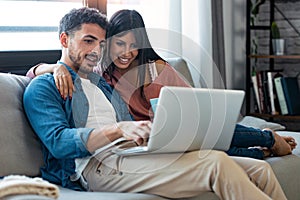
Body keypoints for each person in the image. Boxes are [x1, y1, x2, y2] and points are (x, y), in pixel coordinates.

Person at [23, 7, 288, 200]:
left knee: (259, 169)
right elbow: (59, 142)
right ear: (64, 40)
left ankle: (262, 142)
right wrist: (119, 129)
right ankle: (263, 141)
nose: (96, 50)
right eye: (88, 41)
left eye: (101, 43)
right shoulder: (45, 86)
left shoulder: (100, 81)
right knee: (216, 164)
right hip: (97, 166)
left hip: (134, 153)